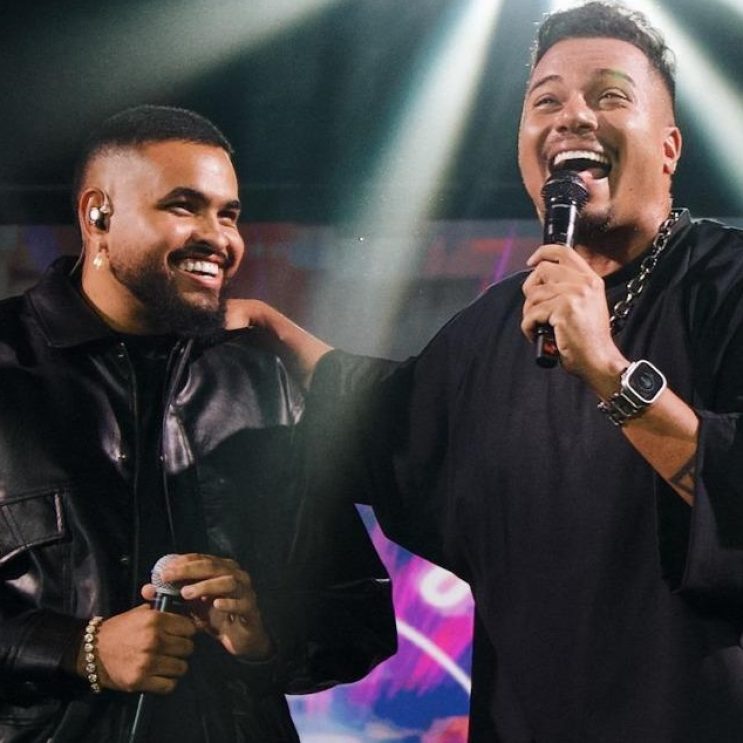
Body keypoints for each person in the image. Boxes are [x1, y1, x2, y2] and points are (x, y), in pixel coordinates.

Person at [244, 2, 743, 741]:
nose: (572, 116)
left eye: (609, 95)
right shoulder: (494, 325)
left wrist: (610, 372)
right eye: (546, 101)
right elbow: (388, 423)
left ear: (668, 147)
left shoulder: (728, 286)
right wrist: (273, 335)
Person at [0, 104, 396, 743]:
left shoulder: (262, 380)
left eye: (229, 214)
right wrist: (79, 649)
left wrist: (265, 634)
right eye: (184, 207)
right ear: (97, 215)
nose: (219, 238)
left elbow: (359, 613)